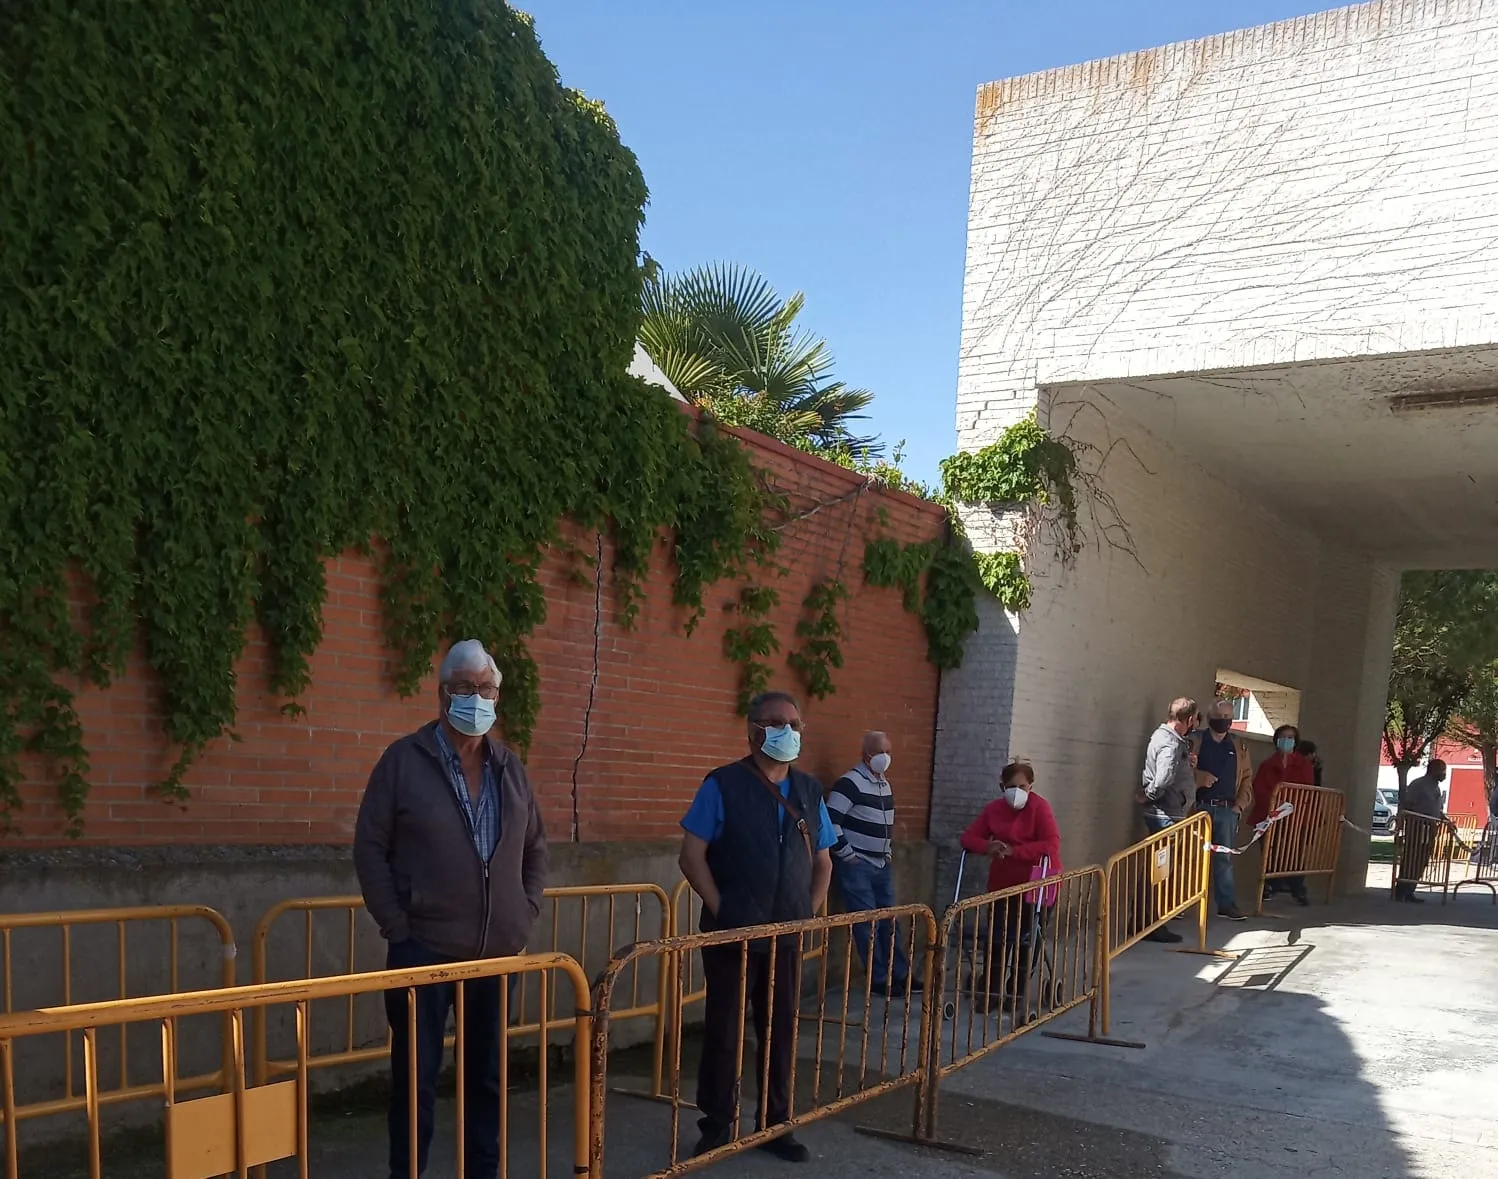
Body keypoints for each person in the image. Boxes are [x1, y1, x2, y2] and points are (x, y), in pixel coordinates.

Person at [354, 639, 549, 1179]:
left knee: (486, 1078)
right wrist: (396, 924)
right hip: (423, 950)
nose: (476, 698)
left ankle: (482, 1172)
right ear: (443, 694)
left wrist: (525, 911)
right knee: (415, 1079)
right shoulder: (403, 761)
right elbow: (370, 847)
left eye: (485, 689)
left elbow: (535, 848)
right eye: (464, 687)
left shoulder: (510, 768)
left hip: (496, 955)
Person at [678, 690, 836, 1164]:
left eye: (795, 724)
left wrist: (808, 910)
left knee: (780, 1029)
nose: (789, 732)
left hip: (785, 934)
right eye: (778, 723)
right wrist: (723, 909)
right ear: (753, 730)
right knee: (725, 1028)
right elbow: (691, 856)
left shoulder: (809, 791)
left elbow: (824, 861)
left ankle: (775, 1123)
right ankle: (717, 1123)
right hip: (733, 933)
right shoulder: (722, 784)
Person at [958, 761, 1062, 1004]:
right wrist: (987, 846)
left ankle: (1016, 989)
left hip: (1039, 879)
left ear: (1030, 787)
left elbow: (1051, 844)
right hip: (1004, 881)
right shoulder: (994, 809)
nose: (1017, 792)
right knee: (998, 937)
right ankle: (991, 990)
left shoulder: (1039, 807)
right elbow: (968, 837)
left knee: (1028, 937)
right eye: (1011, 787)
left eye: (1022, 787)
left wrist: (1015, 851)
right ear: (1002, 787)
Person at [827, 731, 919, 997]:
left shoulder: (883, 784)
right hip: (857, 865)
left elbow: (885, 822)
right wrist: (848, 855)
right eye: (880, 752)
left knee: (890, 921)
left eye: (889, 751)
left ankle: (900, 973)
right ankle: (878, 978)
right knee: (868, 924)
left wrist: (886, 852)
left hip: (881, 864)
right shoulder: (849, 783)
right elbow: (831, 821)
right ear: (866, 754)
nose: (886, 757)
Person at [1135, 697, 1199, 943]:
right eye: (1194, 720)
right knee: (1159, 872)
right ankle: (1150, 923)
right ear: (1189, 719)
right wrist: (1149, 795)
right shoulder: (1171, 744)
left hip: (1166, 813)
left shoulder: (1166, 738)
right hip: (1166, 816)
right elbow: (1163, 778)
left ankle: (1141, 920)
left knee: (1155, 870)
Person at [1188, 700, 1254, 921]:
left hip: (1227, 810)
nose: (1223, 720)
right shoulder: (1195, 741)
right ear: (1209, 718)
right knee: (1189, 857)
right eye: (1219, 716)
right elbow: (1181, 770)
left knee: (1224, 859)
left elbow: (1247, 778)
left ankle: (1226, 905)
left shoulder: (1239, 746)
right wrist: (1199, 778)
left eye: (1227, 716)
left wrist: (1239, 806)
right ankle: (1180, 902)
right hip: (1198, 808)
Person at [1252, 724, 1317, 905]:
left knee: (1293, 852)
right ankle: (1270, 885)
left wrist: (1288, 805)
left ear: (1295, 741)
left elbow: (1306, 788)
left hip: (1296, 816)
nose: (1286, 741)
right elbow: (1259, 788)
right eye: (1283, 737)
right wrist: (1274, 805)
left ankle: (1297, 889)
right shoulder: (1267, 765)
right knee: (1269, 850)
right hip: (1270, 814)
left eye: (1290, 737)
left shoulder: (1303, 765)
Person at [1395, 758, 1447, 903]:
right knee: (1412, 857)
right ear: (1433, 769)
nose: (1444, 774)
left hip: (1430, 828)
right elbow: (1407, 804)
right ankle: (1401, 889)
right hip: (1417, 827)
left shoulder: (1436, 788)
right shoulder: (1419, 785)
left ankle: (1410, 890)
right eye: (1442, 770)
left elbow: (1437, 809)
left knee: (1422, 859)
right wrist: (1402, 824)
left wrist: (1446, 820)